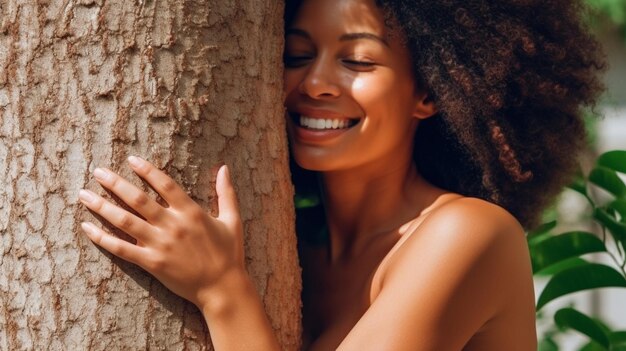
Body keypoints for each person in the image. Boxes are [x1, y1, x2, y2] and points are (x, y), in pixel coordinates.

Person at [77, 0, 605, 349]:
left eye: (357, 60)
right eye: (298, 54)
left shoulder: (468, 235)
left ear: (429, 92)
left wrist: (220, 288)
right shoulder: (294, 247)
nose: (316, 82)